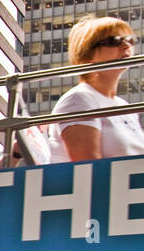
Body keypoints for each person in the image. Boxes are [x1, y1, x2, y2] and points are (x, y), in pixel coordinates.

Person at [49, 17, 143, 162]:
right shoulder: (79, 99)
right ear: (87, 54)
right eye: (114, 41)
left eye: (129, 40)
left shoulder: (123, 105)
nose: (126, 45)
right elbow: (89, 169)